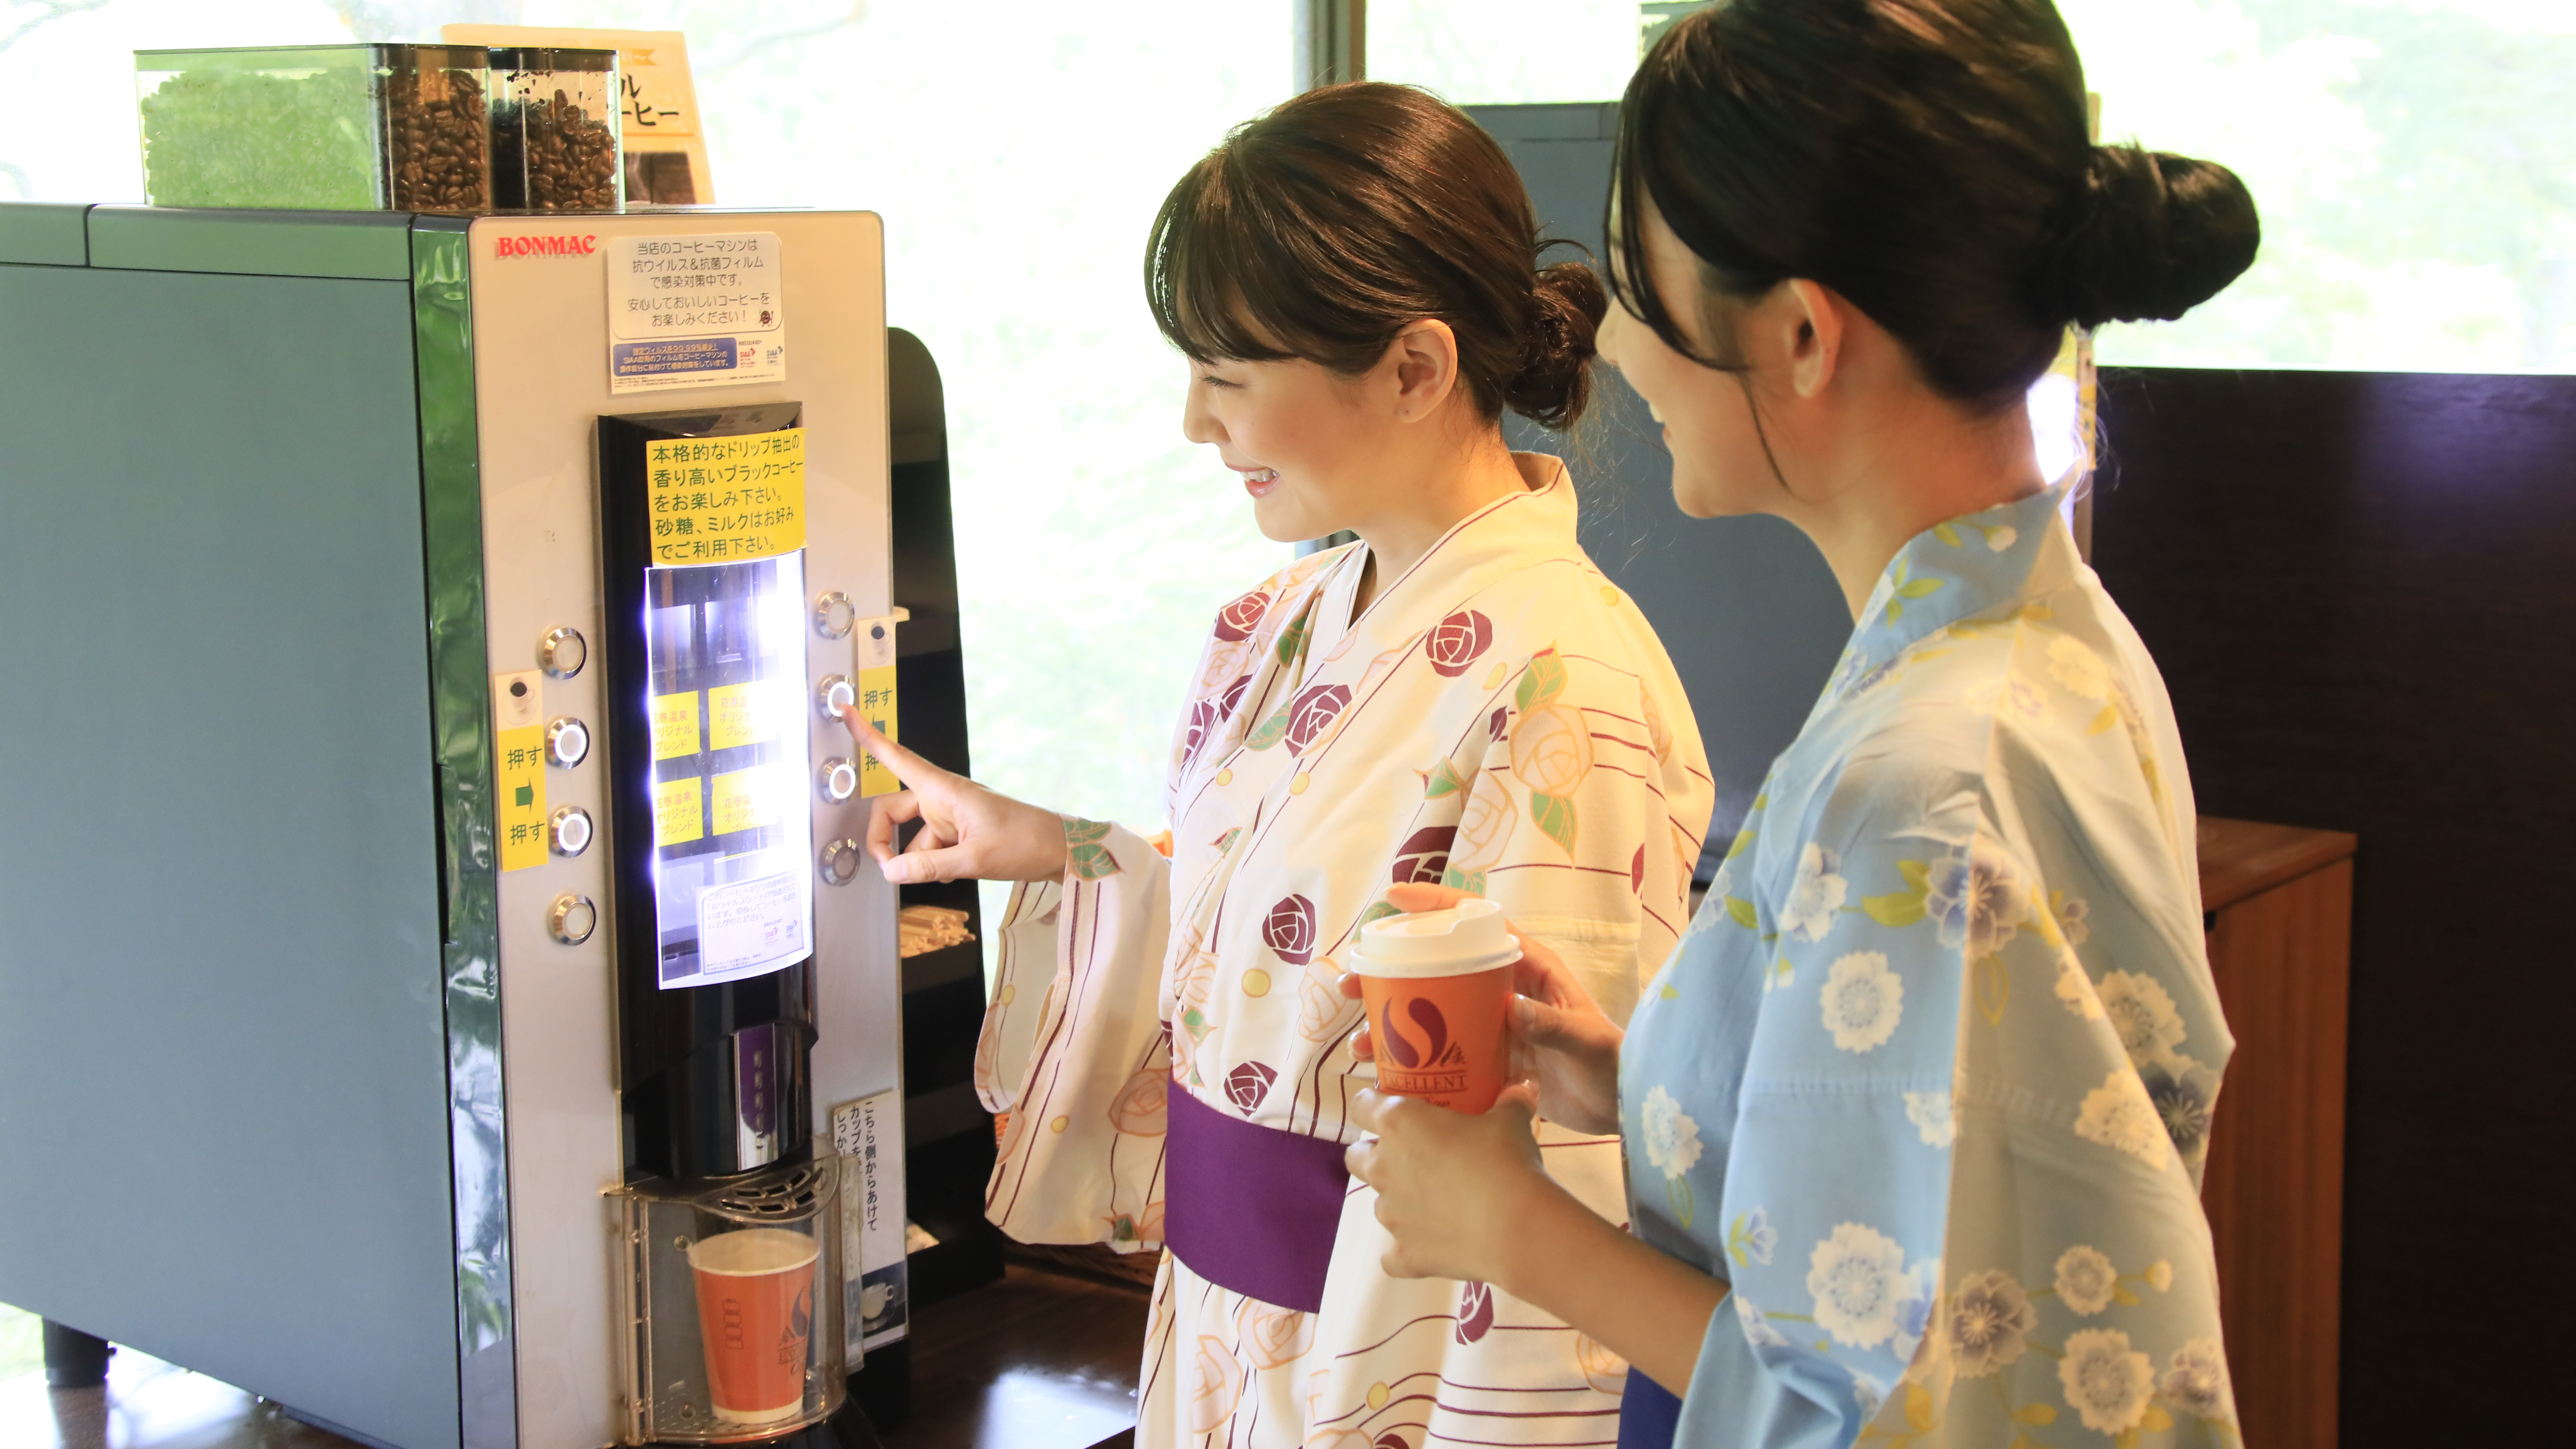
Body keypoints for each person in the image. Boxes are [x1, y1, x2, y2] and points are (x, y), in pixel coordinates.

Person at [1340, 3, 2262, 1447]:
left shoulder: (1931, 778)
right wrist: (1640, 1066)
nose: (1620, 352)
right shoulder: (2034, 632)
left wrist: (1516, 1228)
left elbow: (1895, 1406)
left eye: (1640, 288)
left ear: (1802, 333)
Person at [840, 82, 1718, 1449]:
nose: (1196, 422)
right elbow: (1280, 940)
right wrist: (1050, 846)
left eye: (1229, 377)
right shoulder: (1296, 615)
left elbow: (1558, 1153)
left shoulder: (1568, 680)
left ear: (1416, 369)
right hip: (1226, 1330)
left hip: (1382, 1368)